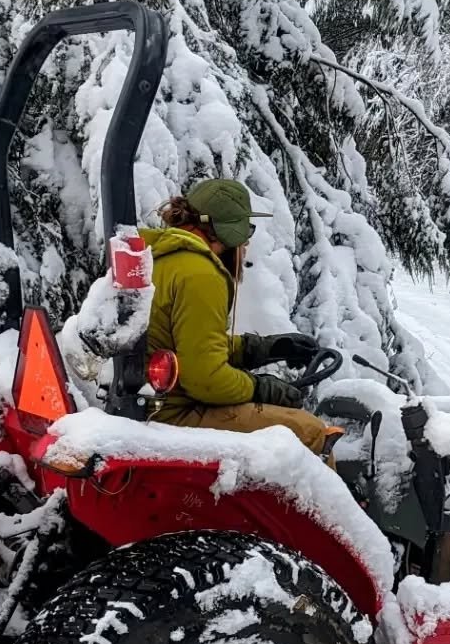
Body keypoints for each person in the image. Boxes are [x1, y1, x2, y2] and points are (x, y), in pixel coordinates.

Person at [141, 179, 329, 454]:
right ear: (224, 231)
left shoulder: (166, 259)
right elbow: (205, 378)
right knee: (310, 432)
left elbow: (193, 347)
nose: (246, 242)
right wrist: (261, 388)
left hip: (157, 406)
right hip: (174, 415)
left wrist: (261, 348)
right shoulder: (200, 275)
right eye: (245, 231)